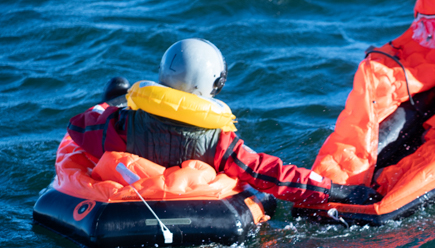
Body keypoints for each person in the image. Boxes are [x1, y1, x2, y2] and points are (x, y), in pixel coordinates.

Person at [66, 38, 379, 206]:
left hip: (126, 192)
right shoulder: (219, 143)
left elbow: (79, 127)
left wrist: (114, 106)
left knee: (116, 93)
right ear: (211, 87)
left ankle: (118, 93)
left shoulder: (121, 126)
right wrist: (335, 191)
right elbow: (272, 175)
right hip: (199, 208)